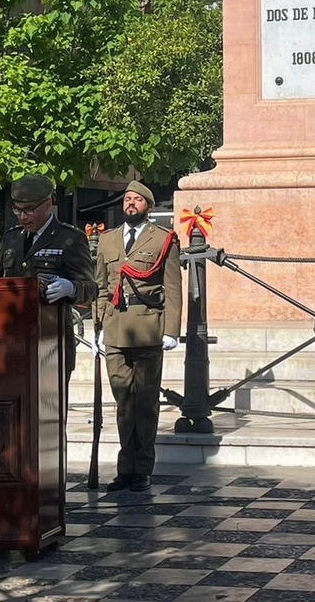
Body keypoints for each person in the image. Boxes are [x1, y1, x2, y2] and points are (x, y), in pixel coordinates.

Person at [91, 181, 182, 493]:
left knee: (145, 403)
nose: (130, 203)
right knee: (123, 402)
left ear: (148, 206)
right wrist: (98, 327)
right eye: (127, 199)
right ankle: (124, 468)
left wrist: (171, 330)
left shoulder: (163, 239)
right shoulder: (107, 239)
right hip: (115, 328)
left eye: (137, 200)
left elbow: (173, 287)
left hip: (147, 328)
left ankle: (142, 468)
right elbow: (101, 287)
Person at [0, 174, 96, 381]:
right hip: (12, 339)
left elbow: (91, 288)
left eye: (29, 210)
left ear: (48, 204)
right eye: (17, 210)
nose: (23, 217)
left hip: (52, 340)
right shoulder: (12, 237)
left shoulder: (70, 238)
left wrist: (71, 288)